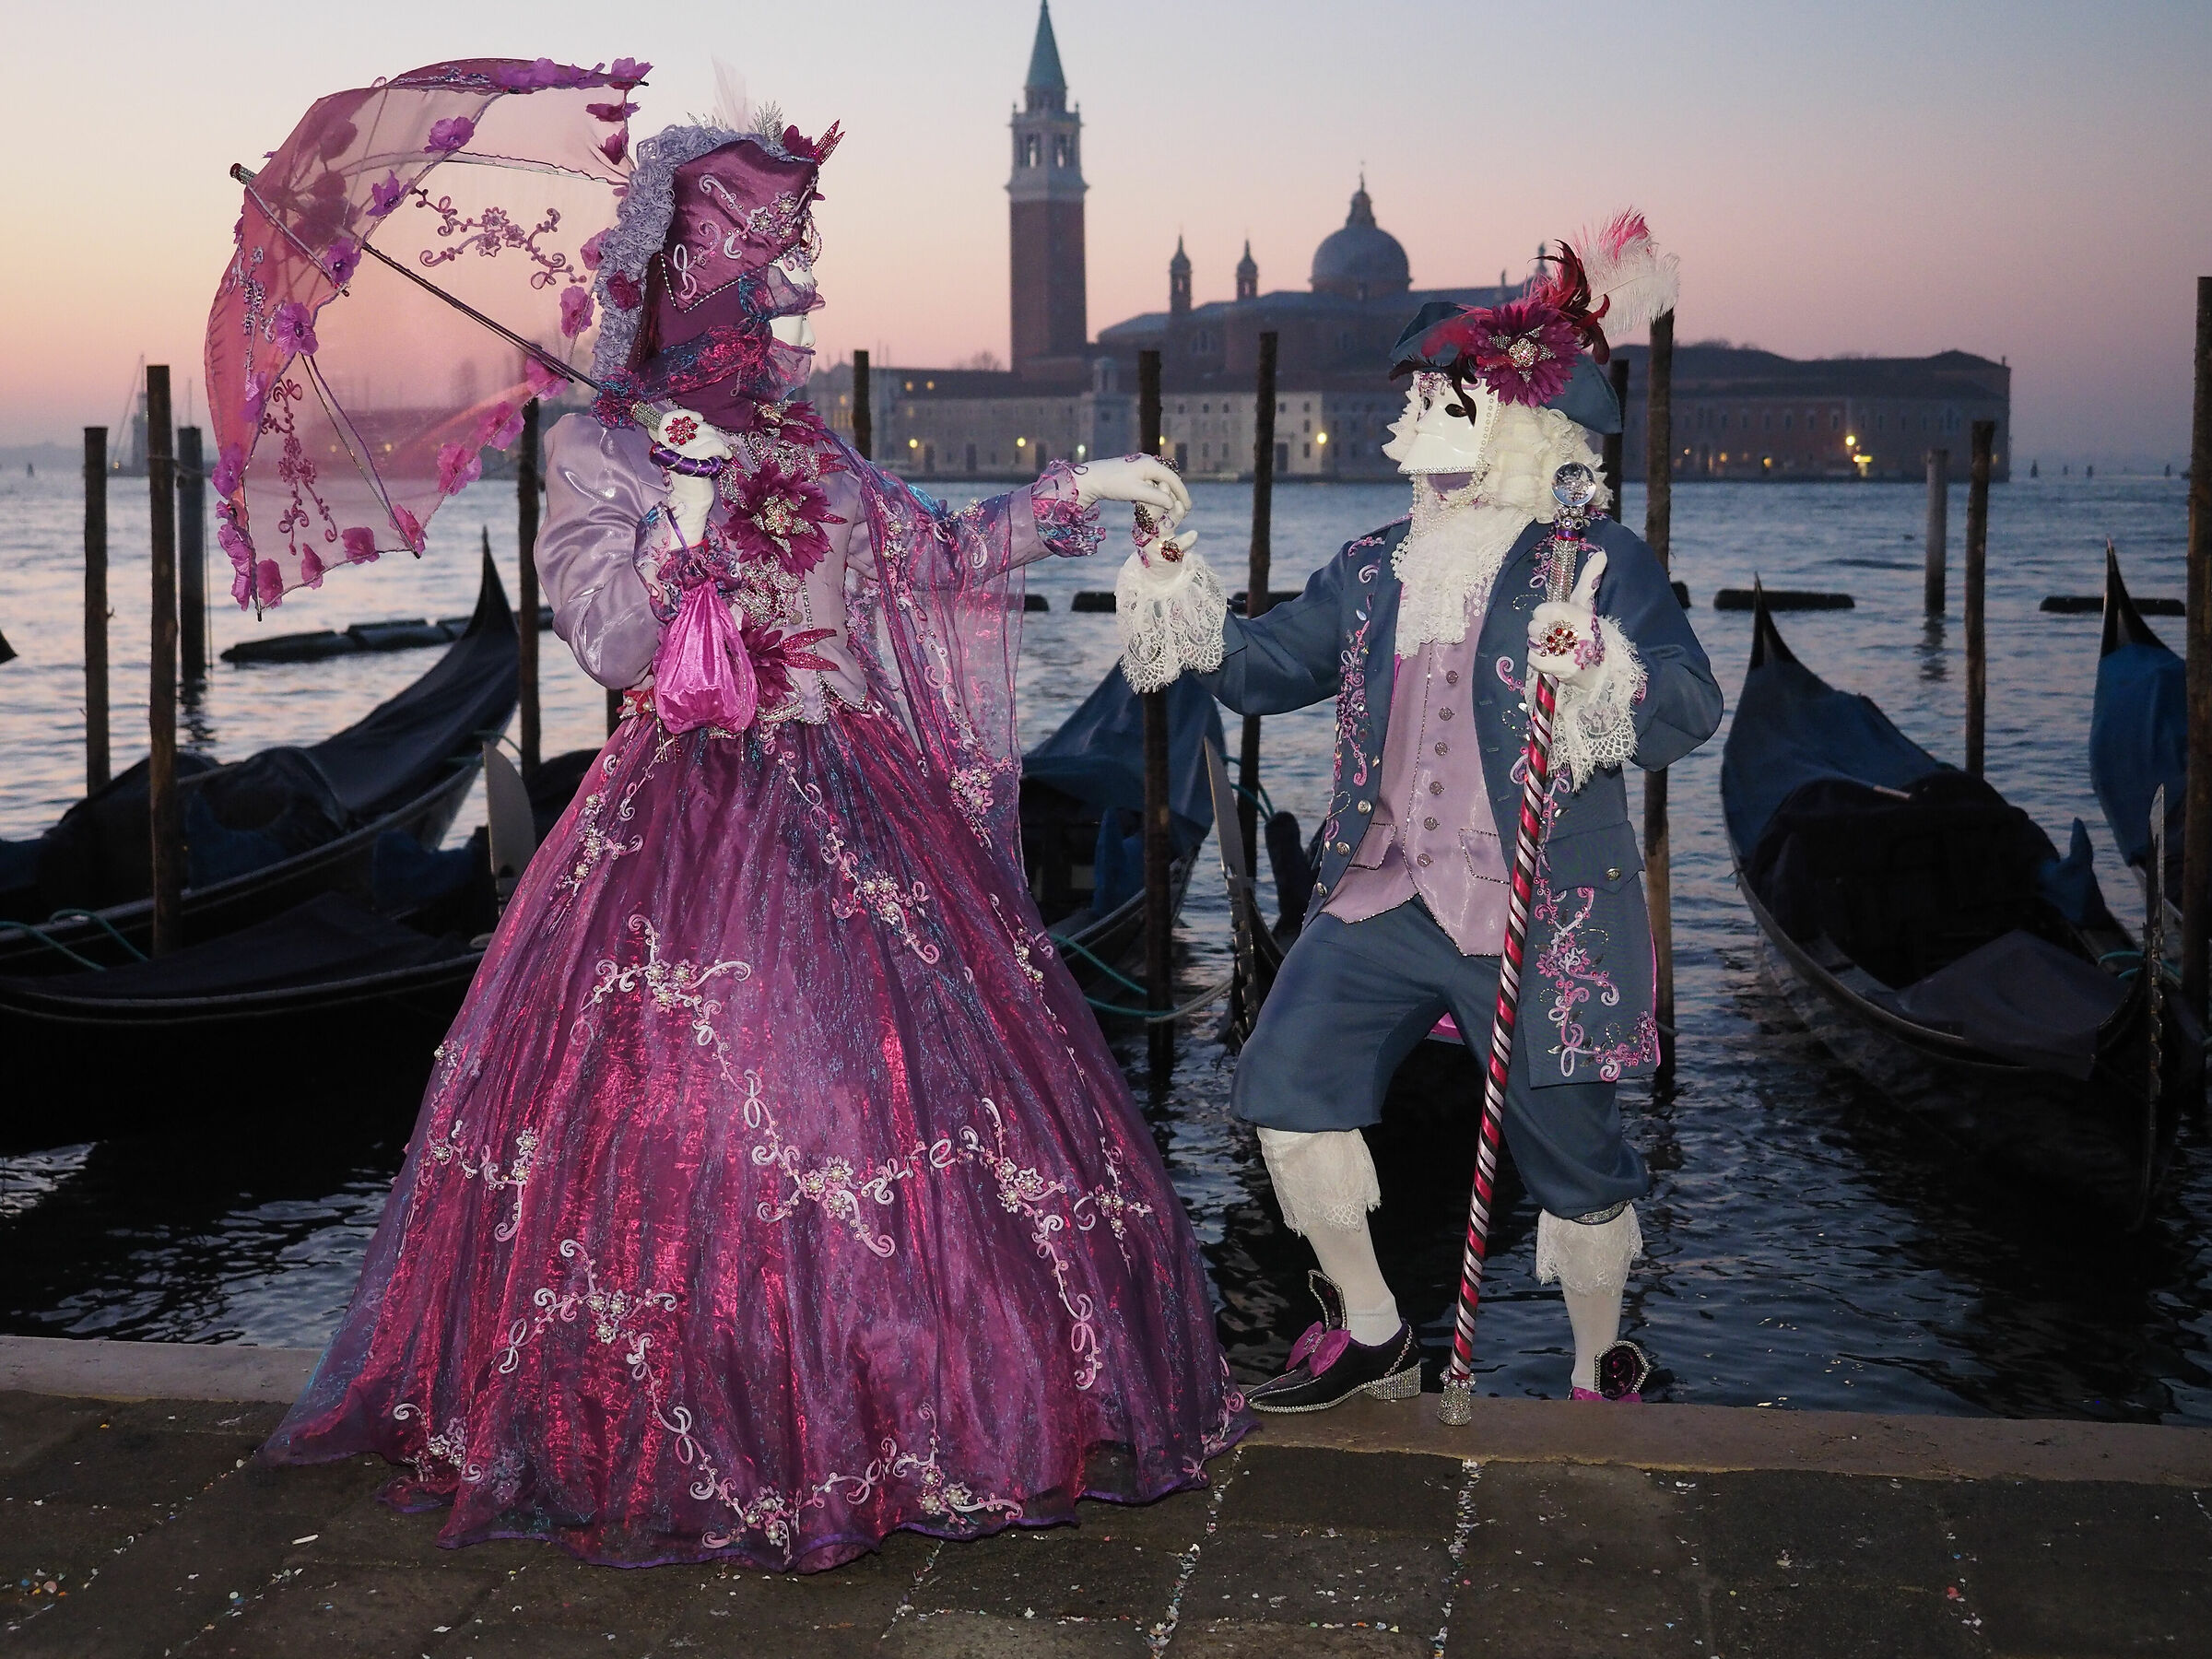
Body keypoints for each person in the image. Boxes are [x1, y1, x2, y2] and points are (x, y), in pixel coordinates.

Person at [263, 108, 1245, 1570]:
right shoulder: (603, 443)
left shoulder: (798, 428)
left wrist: (1077, 494)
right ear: (699, 267)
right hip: (696, 818)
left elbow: (929, 555)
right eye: (774, 246)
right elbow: (608, 640)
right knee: (721, 1123)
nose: (797, 276)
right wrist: (681, 511)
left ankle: (928, 1413)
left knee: (922, 1106)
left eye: (796, 246)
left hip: (867, 812)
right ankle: (714, 1421)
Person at [1115, 216, 1721, 1411]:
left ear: (1512, 426)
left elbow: (1689, 706)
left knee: (1577, 1160)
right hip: (1381, 889)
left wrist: (1597, 667)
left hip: (1537, 911)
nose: (1410, 420)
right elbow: (1248, 672)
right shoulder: (1370, 564)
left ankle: (1602, 1363)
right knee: (1279, 1084)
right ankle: (1378, 1328)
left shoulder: (1593, 561)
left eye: (1443, 401)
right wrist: (1179, 579)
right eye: (1422, 400)